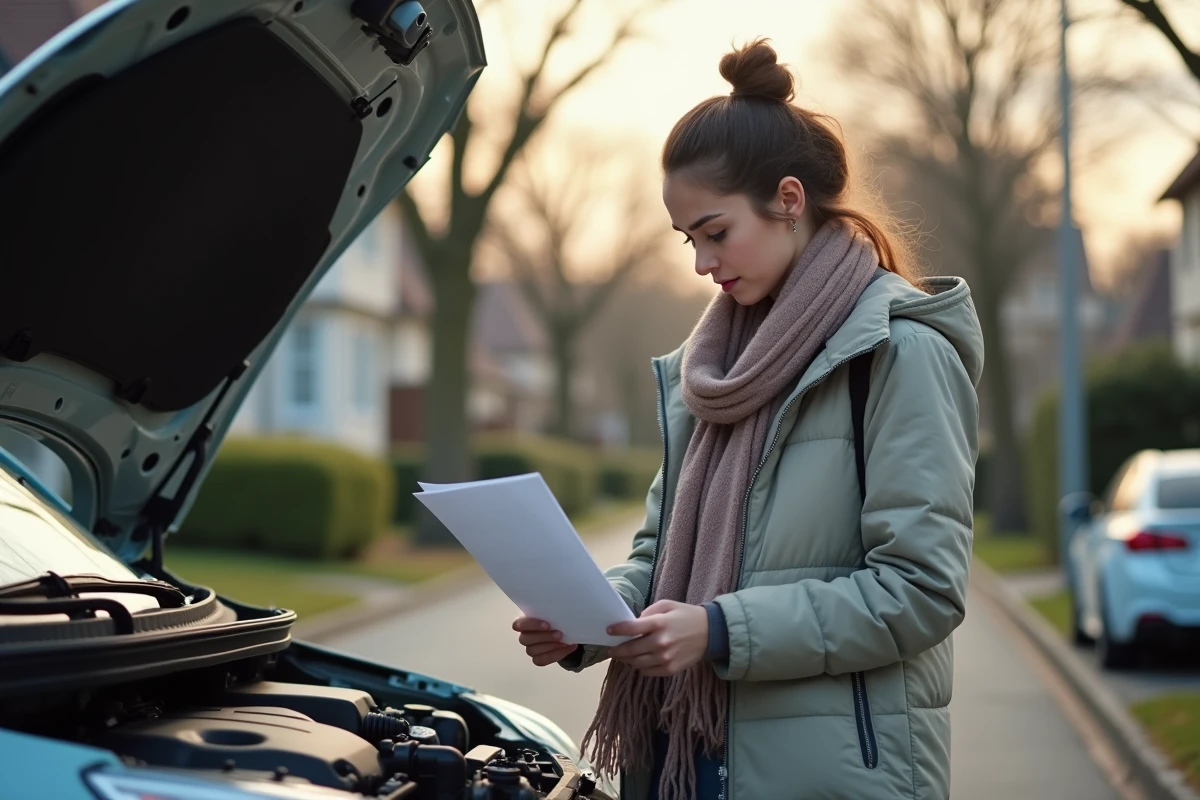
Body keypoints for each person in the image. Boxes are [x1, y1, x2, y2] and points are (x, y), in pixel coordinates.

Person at [512, 38, 981, 800]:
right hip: (678, 764)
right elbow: (657, 555)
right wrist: (591, 619)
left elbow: (921, 590)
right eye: (688, 239)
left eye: (715, 231)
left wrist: (721, 630)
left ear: (789, 201)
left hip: (826, 777)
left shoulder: (902, 351)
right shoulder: (708, 371)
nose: (700, 263)